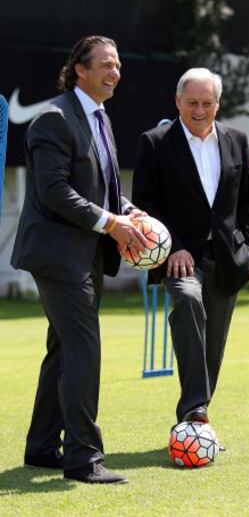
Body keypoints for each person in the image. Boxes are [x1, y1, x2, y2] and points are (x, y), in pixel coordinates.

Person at [11, 35, 147, 484]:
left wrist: (127, 211)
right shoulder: (53, 118)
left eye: (119, 65)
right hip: (57, 256)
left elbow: (101, 187)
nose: (115, 72)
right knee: (84, 349)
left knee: (63, 349)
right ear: (79, 70)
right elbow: (54, 192)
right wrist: (111, 222)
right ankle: (83, 458)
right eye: (106, 64)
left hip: (86, 254)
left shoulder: (101, 119)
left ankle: (42, 446)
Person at [132, 68, 249, 437]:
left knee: (213, 345)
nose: (199, 110)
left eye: (207, 103)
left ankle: (196, 421)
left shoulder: (237, 140)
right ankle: (195, 411)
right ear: (177, 102)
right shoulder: (154, 142)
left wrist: (244, 247)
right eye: (192, 103)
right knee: (186, 302)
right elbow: (144, 204)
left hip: (227, 258)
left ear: (217, 104)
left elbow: (243, 205)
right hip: (180, 258)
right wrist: (175, 249)